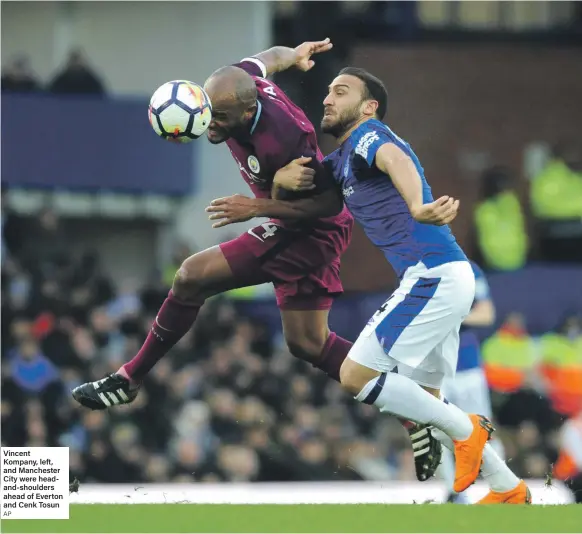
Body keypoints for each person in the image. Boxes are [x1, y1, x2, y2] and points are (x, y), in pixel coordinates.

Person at [71, 40, 441, 481]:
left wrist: (258, 206)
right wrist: (297, 52)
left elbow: (328, 205)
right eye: (206, 111)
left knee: (191, 276)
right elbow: (268, 59)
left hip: (307, 232)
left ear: (247, 114)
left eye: (219, 119)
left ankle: (129, 378)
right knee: (308, 344)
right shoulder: (236, 85)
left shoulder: (286, 138)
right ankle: (414, 411)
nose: (209, 126)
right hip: (290, 226)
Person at [211, 66, 531, 502]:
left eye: (340, 92)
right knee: (425, 399)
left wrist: (418, 205)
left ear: (368, 106)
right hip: (443, 276)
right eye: (326, 92)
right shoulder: (339, 161)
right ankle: (508, 488)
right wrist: (270, 194)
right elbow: (312, 204)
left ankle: (468, 430)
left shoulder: (369, 134)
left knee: (355, 374)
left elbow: (394, 160)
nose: (327, 99)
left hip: (432, 273)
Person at [439, 260, 505, 503]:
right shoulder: (412, 266)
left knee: (481, 431)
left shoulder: (466, 268)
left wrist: (449, 312)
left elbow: (486, 314)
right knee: (438, 432)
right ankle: (455, 494)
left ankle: (503, 488)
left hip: (466, 367)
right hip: (432, 367)